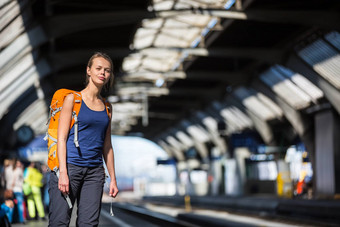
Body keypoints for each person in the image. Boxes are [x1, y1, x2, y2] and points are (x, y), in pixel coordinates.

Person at [49, 52, 119, 227]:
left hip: (94, 173)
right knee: (59, 223)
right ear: (88, 71)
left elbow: (107, 146)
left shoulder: (107, 108)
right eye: (98, 68)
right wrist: (63, 173)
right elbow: (61, 138)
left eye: (107, 70)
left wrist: (113, 178)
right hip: (70, 168)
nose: (103, 73)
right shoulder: (73, 100)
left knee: (89, 224)